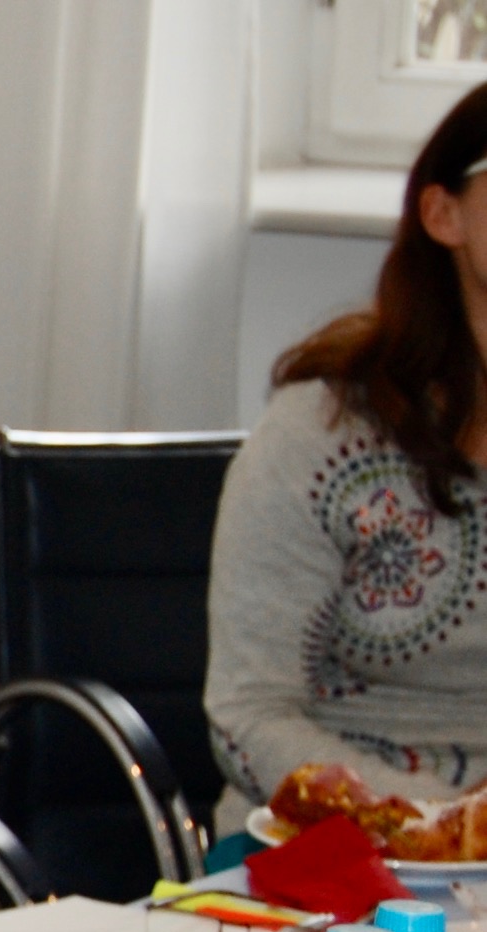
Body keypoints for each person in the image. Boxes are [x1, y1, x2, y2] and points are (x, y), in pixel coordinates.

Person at [207, 85, 487, 818]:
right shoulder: (322, 437)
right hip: (334, 840)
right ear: (443, 214)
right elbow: (248, 717)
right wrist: (441, 820)